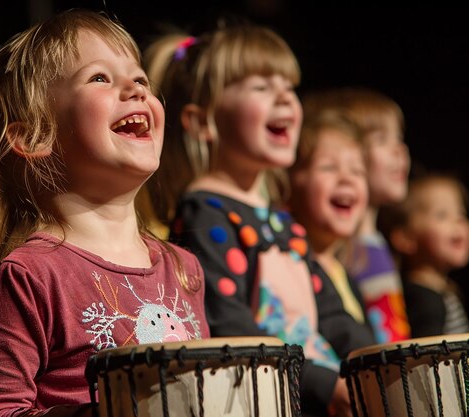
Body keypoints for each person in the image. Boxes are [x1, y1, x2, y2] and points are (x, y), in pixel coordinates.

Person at [0, 9, 210, 417]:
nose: (136, 89)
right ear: (36, 135)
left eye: (140, 78)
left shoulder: (183, 269)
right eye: (100, 78)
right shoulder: (32, 274)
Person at [143, 23, 360, 417]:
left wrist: (372, 359)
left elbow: (329, 312)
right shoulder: (203, 212)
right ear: (202, 122)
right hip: (268, 399)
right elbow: (229, 325)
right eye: (261, 87)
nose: (284, 98)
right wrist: (323, 384)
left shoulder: (281, 220)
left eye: (289, 87)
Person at [303, 87, 411, 344]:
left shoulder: (372, 246)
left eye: (399, 137)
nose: (399, 150)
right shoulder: (342, 251)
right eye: (382, 139)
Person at [287, 110, 375, 354]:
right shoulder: (293, 268)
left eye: (357, 171)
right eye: (328, 167)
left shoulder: (345, 276)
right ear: (290, 182)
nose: (347, 178)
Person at [379, 173, 469, 337]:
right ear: (406, 238)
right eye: (442, 215)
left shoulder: (444, 291)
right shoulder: (424, 301)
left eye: (461, 214)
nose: (458, 222)